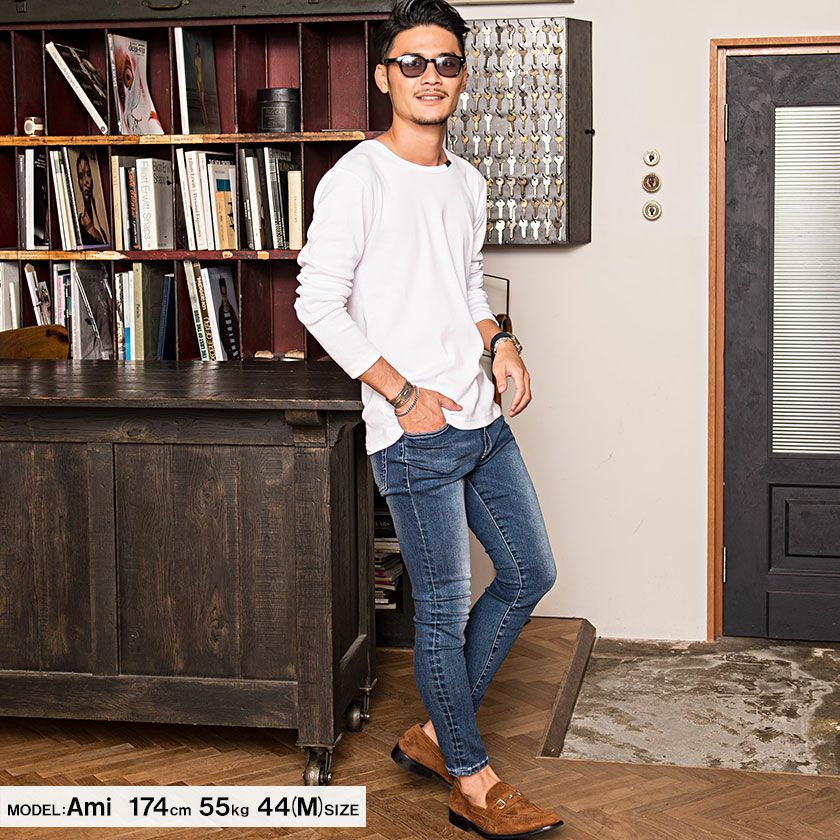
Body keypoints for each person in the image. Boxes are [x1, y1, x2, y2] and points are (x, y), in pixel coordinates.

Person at [294, 1, 562, 836]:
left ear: (462, 77)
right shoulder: (356, 179)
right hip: (416, 434)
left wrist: (501, 343)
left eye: (445, 62)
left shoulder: (467, 181)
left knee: (529, 574)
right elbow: (317, 303)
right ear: (385, 76)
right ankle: (473, 781)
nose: (430, 76)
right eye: (412, 62)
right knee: (444, 607)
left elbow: (466, 284)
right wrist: (402, 395)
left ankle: (438, 736)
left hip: (481, 417)